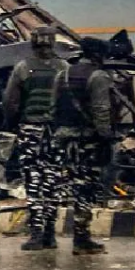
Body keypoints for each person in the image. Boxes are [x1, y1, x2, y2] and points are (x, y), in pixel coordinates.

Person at [3, 25, 68, 251]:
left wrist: (14, 124)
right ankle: (50, 233)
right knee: (53, 180)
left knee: (33, 181)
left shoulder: (23, 67)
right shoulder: (63, 68)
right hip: (56, 132)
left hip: (30, 130)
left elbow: (10, 102)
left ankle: (36, 234)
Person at [51, 36, 114, 255]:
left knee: (64, 187)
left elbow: (53, 107)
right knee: (85, 189)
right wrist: (106, 138)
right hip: (87, 140)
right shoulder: (98, 77)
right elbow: (101, 110)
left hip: (63, 139)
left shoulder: (63, 74)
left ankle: (47, 233)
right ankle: (81, 238)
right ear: (97, 55)